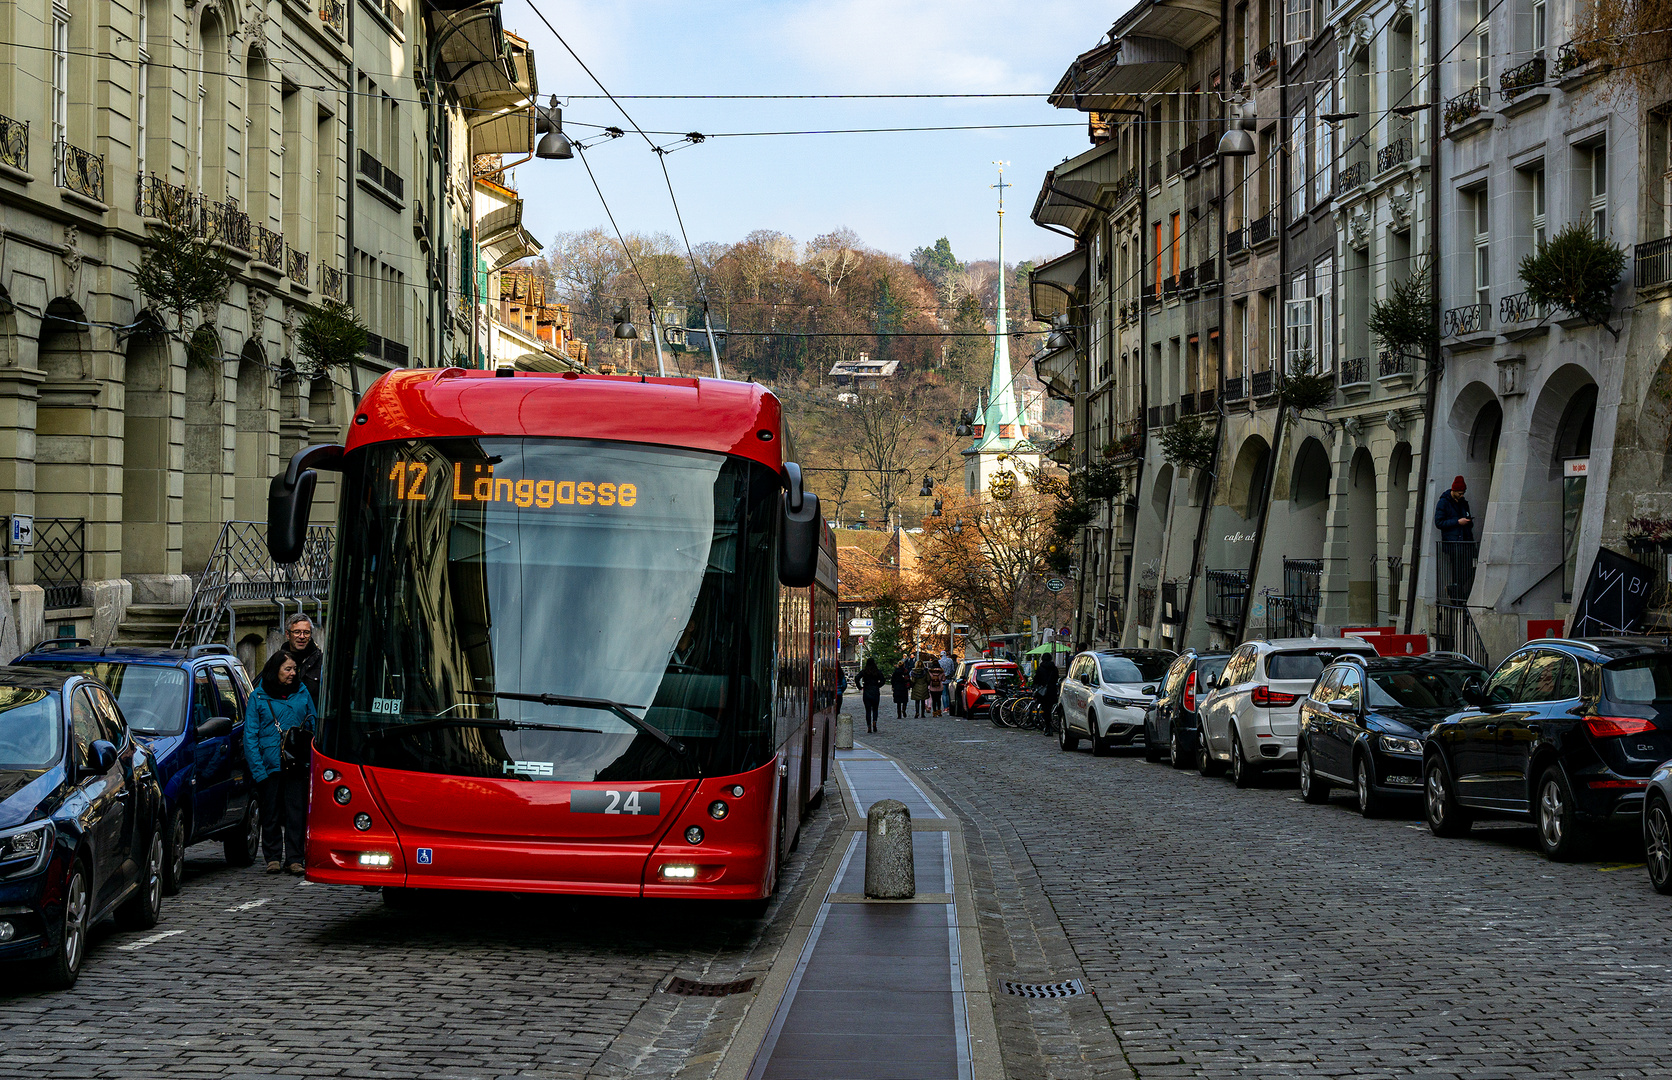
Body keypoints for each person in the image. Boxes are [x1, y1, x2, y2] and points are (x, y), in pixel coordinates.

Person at [244, 652, 318, 875]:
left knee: (296, 813)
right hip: (270, 765)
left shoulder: (302, 692)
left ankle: (295, 858)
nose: (292, 673)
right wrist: (258, 771)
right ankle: (273, 857)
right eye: (287, 669)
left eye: (294, 669)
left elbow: (313, 724)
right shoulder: (258, 697)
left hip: (296, 763)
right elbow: (250, 736)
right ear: (275, 670)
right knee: (271, 812)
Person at [1435, 476, 1477, 601]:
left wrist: (1468, 522)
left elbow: (1468, 520)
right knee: (1458, 571)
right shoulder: (1444, 502)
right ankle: (1457, 598)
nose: (1462, 495)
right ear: (1453, 490)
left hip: (1465, 541)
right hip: (1454, 543)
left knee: (1471, 568)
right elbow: (1439, 522)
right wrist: (1458, 522)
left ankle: (1454, 591)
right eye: (1460, 493)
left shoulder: (1463, 503)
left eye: (1463, 493)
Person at [282, 614, 323, 707]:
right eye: (297, 632)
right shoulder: (277, 663)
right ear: (288, 634)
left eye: (306, 632)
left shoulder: (322, 663)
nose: (302, 636)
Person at [858, 658, 884, 733]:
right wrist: (878, 685)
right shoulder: (877, 671)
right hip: (875, 690)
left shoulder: (864, 671)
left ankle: (869, 726)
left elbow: (857, 678)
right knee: (875, 709)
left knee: (868, 710)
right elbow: (883, 680)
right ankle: (874, 722)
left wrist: (860, 687)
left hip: (867, 690)